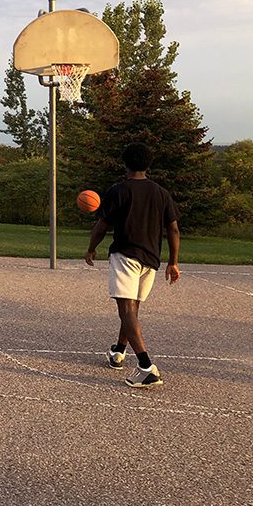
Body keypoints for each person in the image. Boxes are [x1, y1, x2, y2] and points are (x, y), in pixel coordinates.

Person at [85, 143, 181, 388]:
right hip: (151, 259)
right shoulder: (161, 192)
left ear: (124, 163)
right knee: (132, 309)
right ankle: (118, 351)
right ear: (148, 164)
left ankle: (146, 366)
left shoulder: (119, 190)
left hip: (126, 255)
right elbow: (173, 229)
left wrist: (91, 248)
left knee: (126, 310)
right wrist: (173, 262)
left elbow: (102, 225)